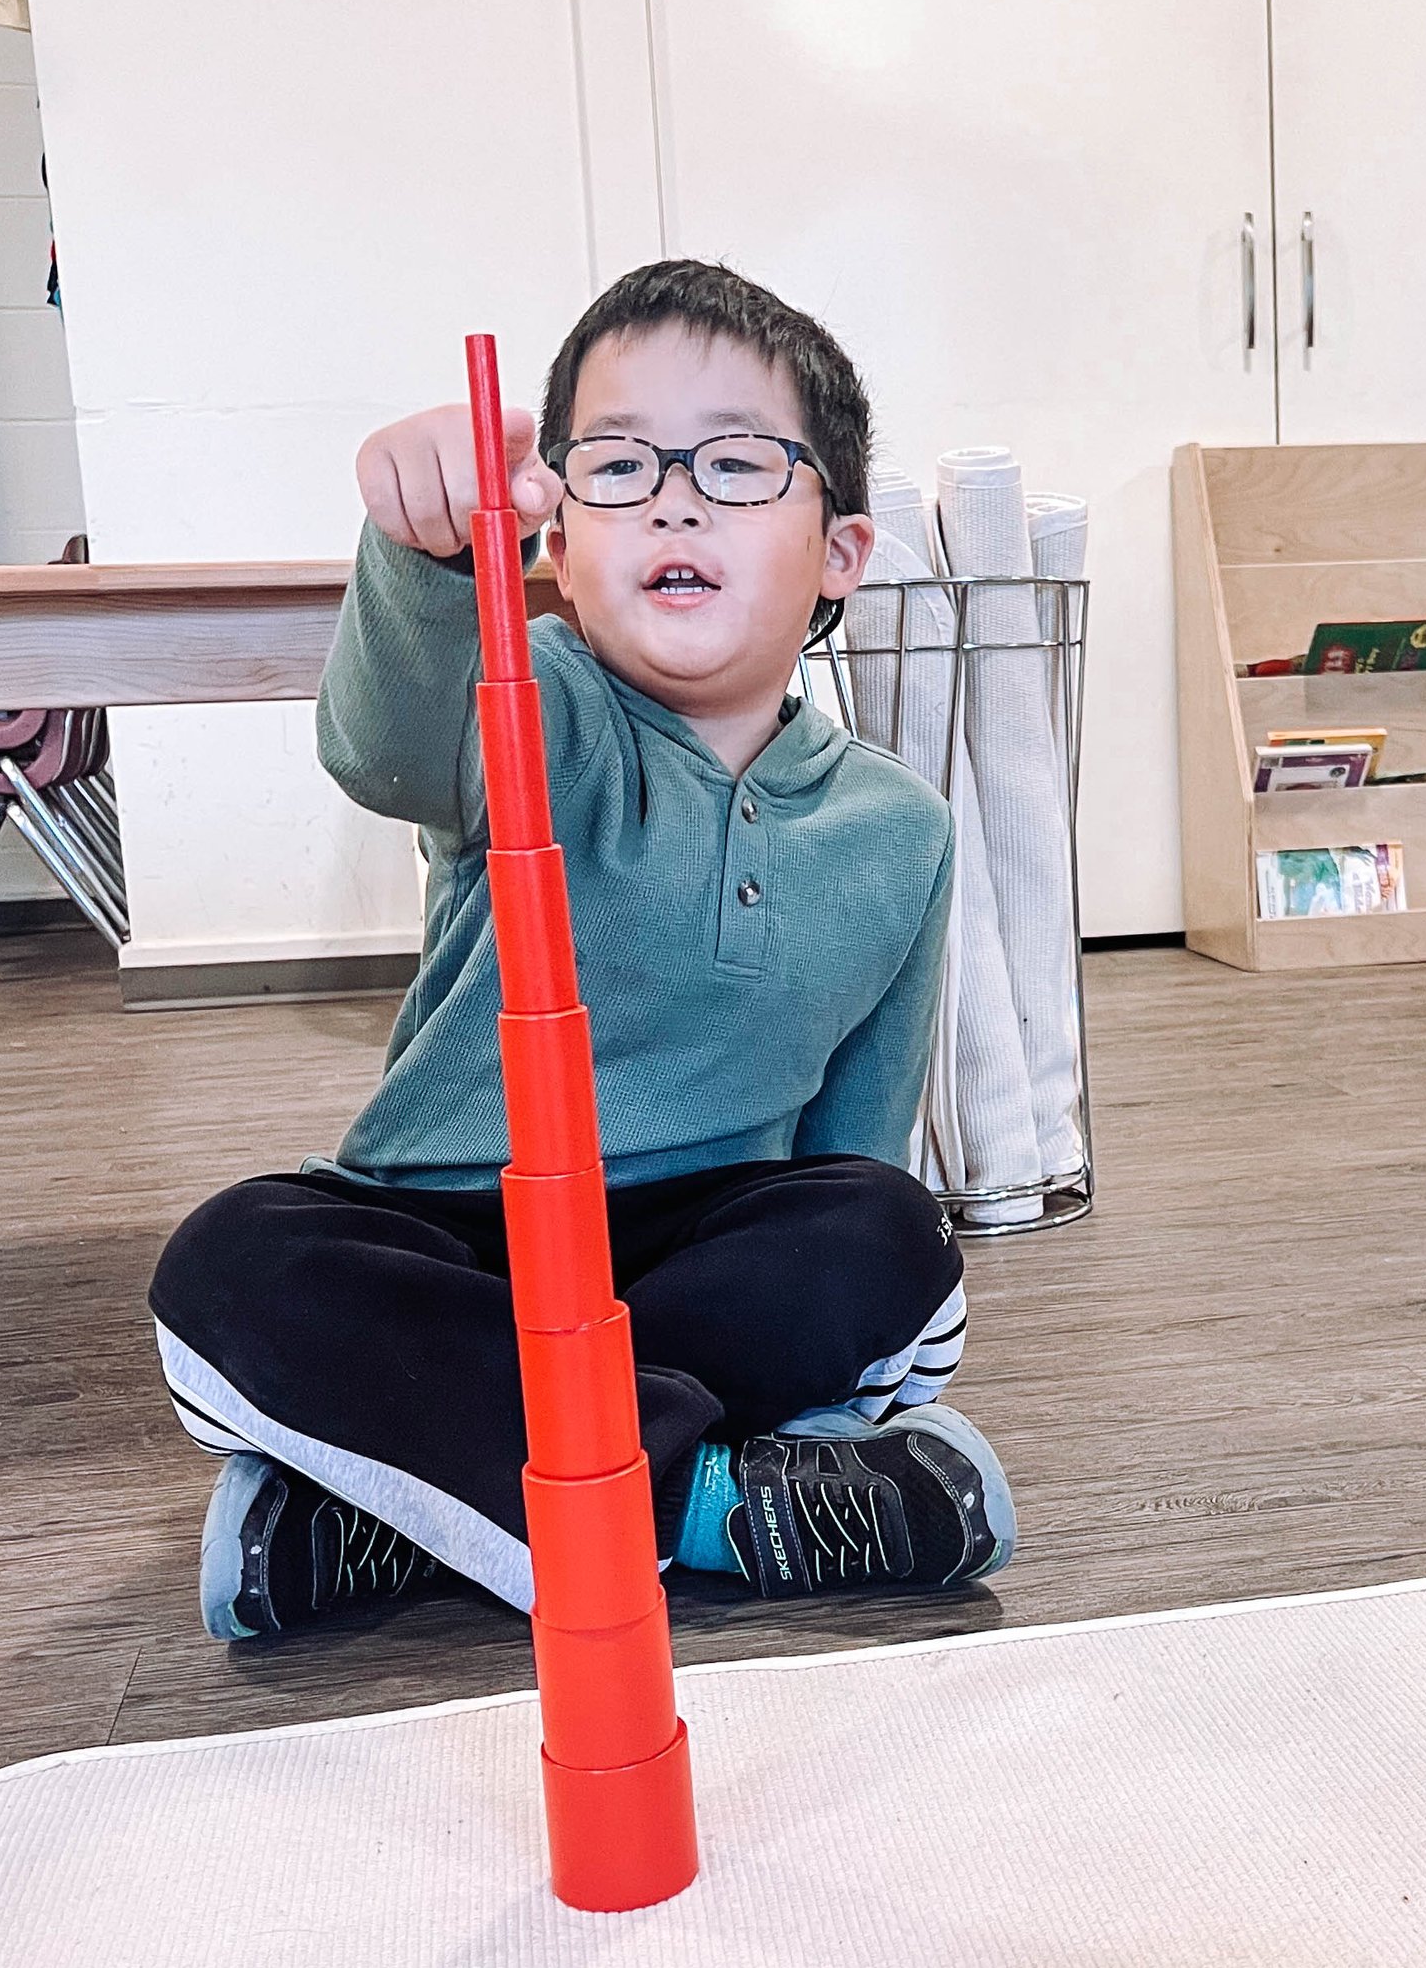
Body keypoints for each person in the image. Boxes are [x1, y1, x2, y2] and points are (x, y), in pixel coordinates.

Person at [149, 256, 1014, 1640]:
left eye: (737, 464)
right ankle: (684, 1505)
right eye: (617, 467)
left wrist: (849, 1280)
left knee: (885, 1241)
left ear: (841, 552)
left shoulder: (899, 831)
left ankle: (403, 1515)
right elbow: (384, 748)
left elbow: (854, 1155)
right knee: (230, 1267)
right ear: (553, 536)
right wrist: (432, 556)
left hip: (690, 1257)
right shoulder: (527, 696)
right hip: (451, 1237)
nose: (674, 496)